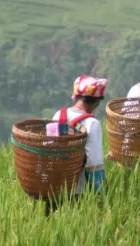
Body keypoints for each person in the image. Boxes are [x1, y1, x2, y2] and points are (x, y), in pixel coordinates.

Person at [44, 75, 107, 217]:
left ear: (76, 96)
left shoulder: (59, 114)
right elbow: (94, 162)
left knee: (50, 226)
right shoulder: (92, 123)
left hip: (53, 185)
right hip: (78, 189)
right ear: (96, 101)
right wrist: (99, 191)